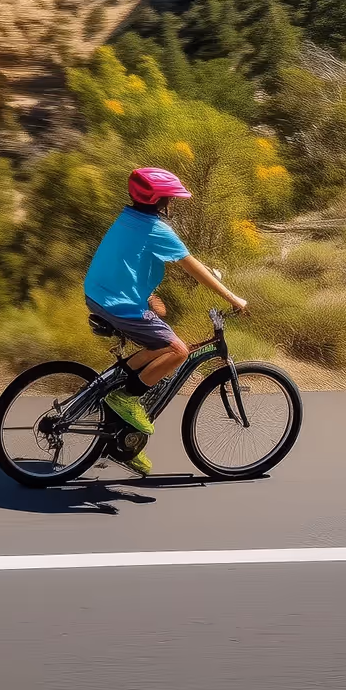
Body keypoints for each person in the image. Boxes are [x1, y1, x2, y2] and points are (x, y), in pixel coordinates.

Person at [83, 167, 248, 476]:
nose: (173, 203)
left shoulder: (129, 219)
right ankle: (124, 397)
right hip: (118, 305)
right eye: (171, 198)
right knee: (178, 350)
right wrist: (233, 299)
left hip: (99, 294)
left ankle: (126, 443)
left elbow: (126, 262)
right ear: (160, 200)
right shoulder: (157, 229)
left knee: (159, 346)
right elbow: (193, 267)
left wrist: (147, 297)